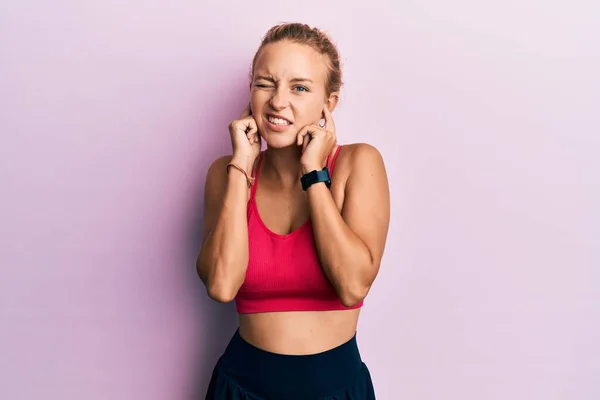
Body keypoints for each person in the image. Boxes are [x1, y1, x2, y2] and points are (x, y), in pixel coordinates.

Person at [197, 22, 390, 400]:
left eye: (299, 87)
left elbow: (352, 287)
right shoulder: (227, 173)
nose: (277, 102)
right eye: (265, 83)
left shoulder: (358, 164)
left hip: (336, 390)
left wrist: (314, 174)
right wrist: (242, 164)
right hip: (239, 389)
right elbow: (221, 285)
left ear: (328, 103)